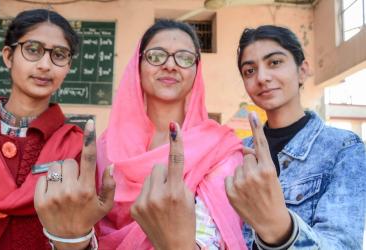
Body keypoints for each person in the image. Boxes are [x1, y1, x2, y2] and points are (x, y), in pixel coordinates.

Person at [35, 20, 247, 250]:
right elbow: (86, 227)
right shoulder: (106, 148)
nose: (170, 65)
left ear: (197, 69)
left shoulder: (219, 148)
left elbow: (212, 239)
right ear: (137, 65)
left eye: (184, 58)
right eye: (156, 56)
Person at [0, 9, 110, 250]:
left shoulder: (75, 149)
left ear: (68, 66)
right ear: (8, 56)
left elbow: (83, 231)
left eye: (59, 55)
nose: (45, 65)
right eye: (33, 50)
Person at [225, 25, 366, 249]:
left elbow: (343, 245)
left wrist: (280, 228)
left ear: (302, 70)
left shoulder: (344, 149)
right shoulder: (238, 153)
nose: (262, 77)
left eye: (275, 62)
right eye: (249, 70)